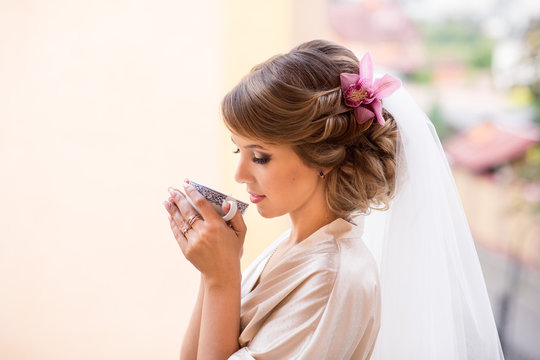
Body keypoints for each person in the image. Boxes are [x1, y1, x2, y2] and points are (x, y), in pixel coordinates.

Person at [162, 40, 505, 359]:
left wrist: (222, 278)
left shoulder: (332, 278)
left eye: (260, 156)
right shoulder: (295, 247)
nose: (240, 174)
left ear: (323, 156)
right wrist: (214, 274)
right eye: (239, 149)